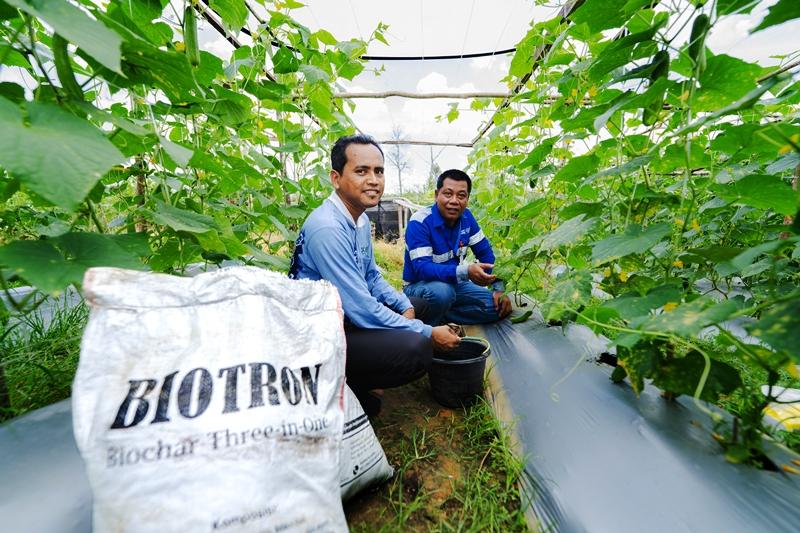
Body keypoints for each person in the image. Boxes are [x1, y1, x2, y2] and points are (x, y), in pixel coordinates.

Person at [288, 134, 460, 415]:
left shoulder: (359, 220)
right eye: (361, 171)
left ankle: (361, 375)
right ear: (336, 178)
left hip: (343, 315)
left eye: (378, 171)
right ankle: (348, 383)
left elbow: (371, 277)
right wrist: (428, 332)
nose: (373, 180)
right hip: (319, 334)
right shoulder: (328, 228)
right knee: (417, 348)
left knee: (418, 306)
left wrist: (403, 304)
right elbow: (361, 306)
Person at [402, 169, 512, 326]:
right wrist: (466, 271)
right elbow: (422, 268)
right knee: (442, 293)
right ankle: (429, 333)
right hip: (419, 286)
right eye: (448, 194)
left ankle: (441, 317)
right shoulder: (420, 222)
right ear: (436, 195)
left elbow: (486, 253)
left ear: (467, 199)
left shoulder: (467, 218)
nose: (454, 201)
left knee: (497, 307)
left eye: (461, 195)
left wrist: (498, 288)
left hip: (453, 284)